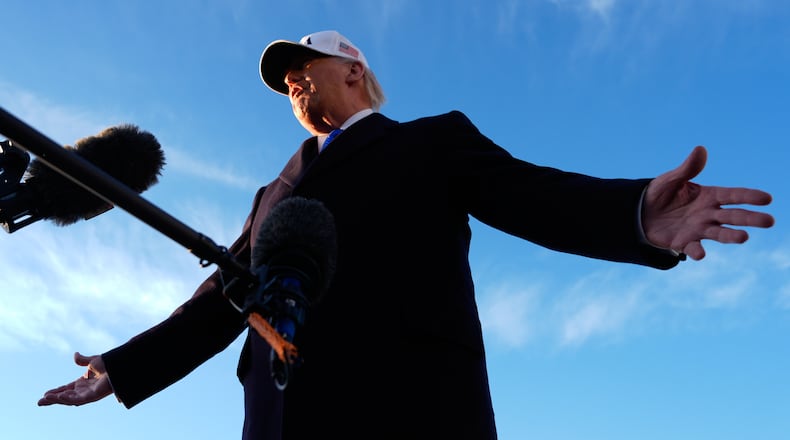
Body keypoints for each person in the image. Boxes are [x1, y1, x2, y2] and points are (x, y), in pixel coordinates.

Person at [38, 30, 775, 439]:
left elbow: (533, 195)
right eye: (286, 80)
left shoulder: (430, 142)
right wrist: (124, 367)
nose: (293, 82)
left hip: (409, 409)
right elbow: (221, 298)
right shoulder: (272, 196)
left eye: (304, 66)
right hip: (280, 419)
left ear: (353, 70)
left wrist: (636, 214)